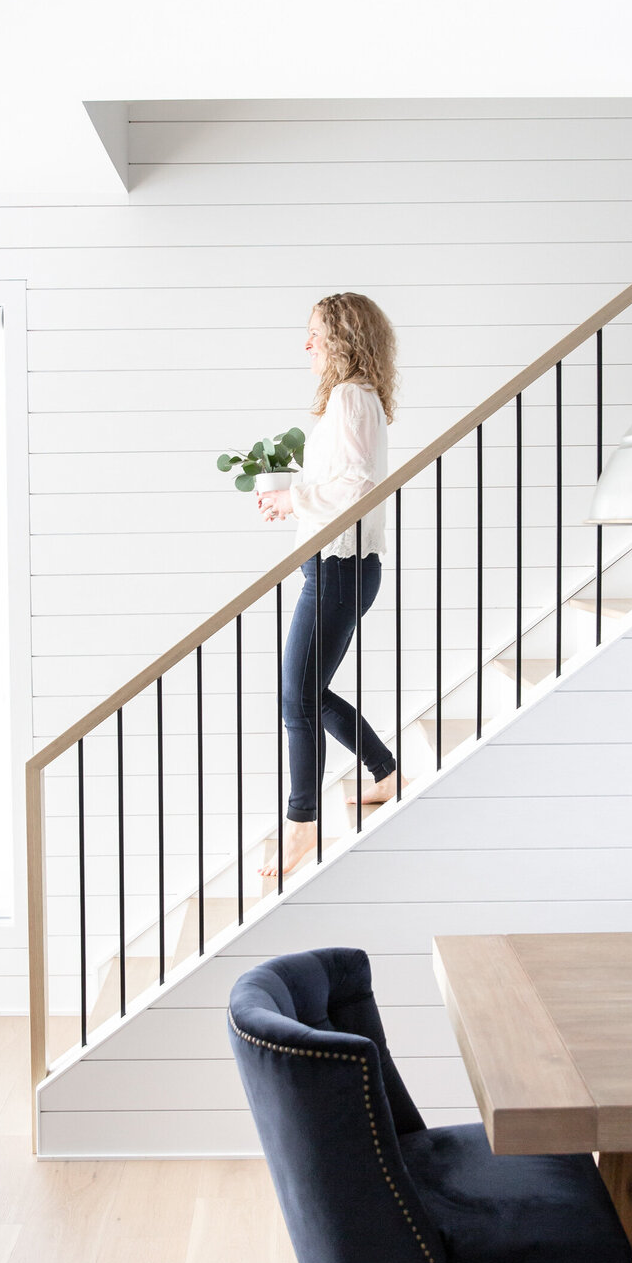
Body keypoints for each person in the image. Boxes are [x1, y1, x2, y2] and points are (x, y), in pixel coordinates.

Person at [257, 293, 401, 877]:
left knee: (297, 697)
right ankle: (385, 772)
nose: (307, 344)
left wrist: (295, 498)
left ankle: (302, 826)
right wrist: (291, 496)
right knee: (305, 694)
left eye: (316, 332)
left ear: (343, 337)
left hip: (340, 568)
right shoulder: (355, 399)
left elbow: (359, 486)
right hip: (339, 565)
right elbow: (343, 478)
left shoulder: (349, 397)